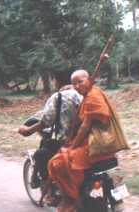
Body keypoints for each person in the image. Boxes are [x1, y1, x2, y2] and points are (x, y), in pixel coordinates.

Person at [48, 69, 124, 212]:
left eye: (80, 82)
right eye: (73, 84)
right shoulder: (91, 93)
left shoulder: (92, 97)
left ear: (89, 80)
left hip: (98, 147)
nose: (76, 86)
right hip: (104, 144)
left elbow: (85, 127)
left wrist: (72, 146)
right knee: (64, 154)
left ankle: (72, 199)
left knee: (57, 162)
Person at [18, 71, 82, 189]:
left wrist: (28, 130)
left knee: (40, 154)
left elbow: (46, 121)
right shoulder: (86, 93)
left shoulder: (58, 97)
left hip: (68, 142)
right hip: (88, 139)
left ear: (56, 82)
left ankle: (49, 186)